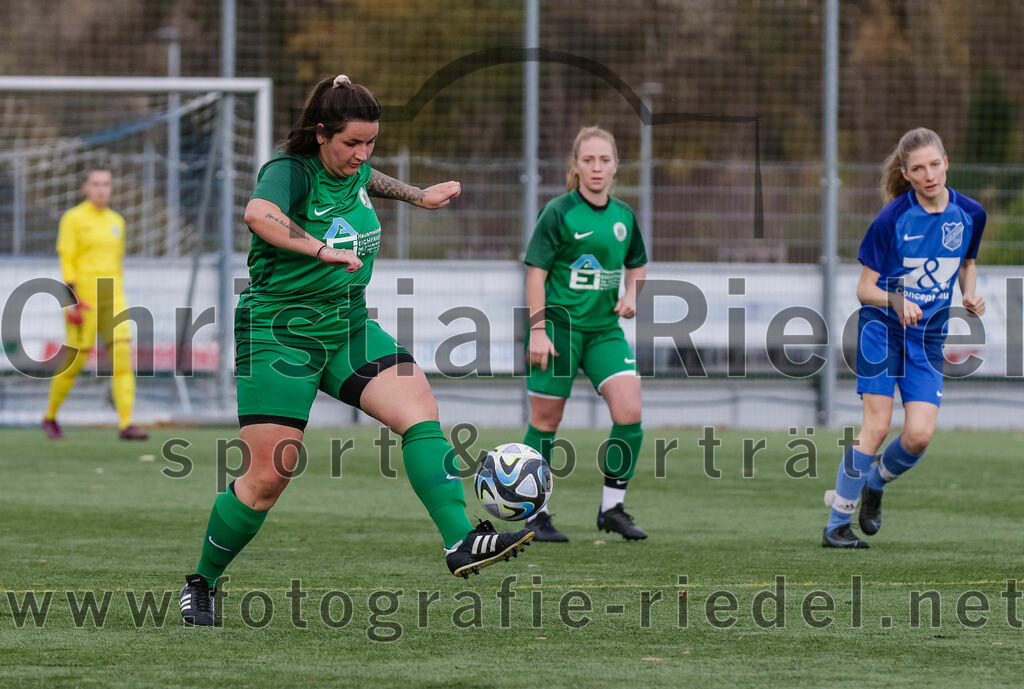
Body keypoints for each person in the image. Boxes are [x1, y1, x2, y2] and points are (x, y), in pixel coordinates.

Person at [178, 75, 533, 626]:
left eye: (371, 142)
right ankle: (202, 582)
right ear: (321, 134)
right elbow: (258, 215)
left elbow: (370, 179)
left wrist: (420, 196)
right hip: (280, 332)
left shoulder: (356, 165)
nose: (363, 154)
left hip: (345, 326)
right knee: (269, 476)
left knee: (419, 410)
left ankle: (462, 541)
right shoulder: (289, 172)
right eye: (352, 143)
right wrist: (319, 249)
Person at [822, 127, 986, 548]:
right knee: (876, 427)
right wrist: (896, 299)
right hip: (881, 331)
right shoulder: (891, 218)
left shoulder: (971, 214)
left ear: (946, 163)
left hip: (929, 337)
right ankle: (836, 525)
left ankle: (874, 485)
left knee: (918, 436)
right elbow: (864, 289)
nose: (929, 174)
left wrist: (969, 291)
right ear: (906, 174)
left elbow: (967, 261)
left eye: (935, 164)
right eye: (918, 168)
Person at [521, 126, 648, 543]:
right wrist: (538, 330)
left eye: (605, 160)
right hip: (559, 331)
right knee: (546, 420)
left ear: (616, 166)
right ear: (575, 165)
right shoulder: (559, 212)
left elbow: (638, 264)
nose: (597, 168)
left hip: (604, 332)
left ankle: (612, 508)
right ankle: (534, 514)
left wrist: (631, 293)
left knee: (629, 411)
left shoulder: (625, 216)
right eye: (589, 160)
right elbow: (536, 273)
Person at [42, 169, 149, 441]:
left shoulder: (117, 221)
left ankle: (126, 423)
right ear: (85, 188)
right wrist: (73, 300)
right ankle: (50, 416)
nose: (102, 189)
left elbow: (118, 262)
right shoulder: (73, 218)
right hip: (84, 300)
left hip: (113, 299)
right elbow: (67, 259)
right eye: (96, 184)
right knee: (75, 360)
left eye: (106, 184)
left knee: (123, 358)